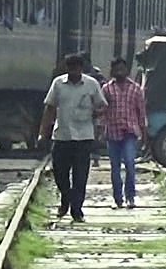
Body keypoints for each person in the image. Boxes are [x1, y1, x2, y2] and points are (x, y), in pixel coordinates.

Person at [38, 53, 107, 222]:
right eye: (70, 68)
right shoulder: (58, 84)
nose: (74, 72)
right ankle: (66, 197)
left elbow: (103, 105)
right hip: (62, 135)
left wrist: (95, 114)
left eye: (76, 68)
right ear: (67, 68)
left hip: (84, 137)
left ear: (81, 69)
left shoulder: (91, 85)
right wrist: (42, 133)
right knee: (59, 173)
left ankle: (77, 210)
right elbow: (50, 109)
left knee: (80, 175)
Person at [102, 57, 147, 209]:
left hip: (130, 132)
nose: (120, 71)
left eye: (122, 68)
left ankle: (130, 196)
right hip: (112, 132)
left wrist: (144, 134)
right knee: (115, 167)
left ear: (127, 70)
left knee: (129, 163)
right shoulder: (106, 89)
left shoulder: (136, 89)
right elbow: (103, 111)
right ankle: (117, 198)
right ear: (112, 71)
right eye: (116, 69)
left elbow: (141, 113)